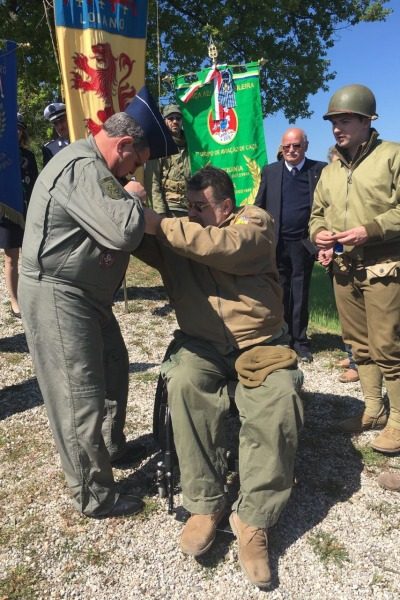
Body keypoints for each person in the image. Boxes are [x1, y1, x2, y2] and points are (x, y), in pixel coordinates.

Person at [131, 166, 304, 589]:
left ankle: (253, 518)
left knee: (279, 397)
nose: (189, 214)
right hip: (203, 344)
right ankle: (205, 502)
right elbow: (137, 238)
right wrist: (128, 203)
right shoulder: (184, 231)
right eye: (186, 206)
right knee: (184, 381)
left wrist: (160, 222)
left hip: (259, 344)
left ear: (225, 206)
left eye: (199, 206)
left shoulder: (253, 222)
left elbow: (222, 247)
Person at [18, 111, 153, 519]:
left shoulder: (95, 166)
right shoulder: (82, 167)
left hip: (85, 293)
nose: (136, 171)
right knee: (79, 396)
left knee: (114, 364)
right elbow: (125, 232)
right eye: (136, 162)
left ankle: (112, 448)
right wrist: (134, 194)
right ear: (123, 145)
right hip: (59, 292)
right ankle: (94, 494)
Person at [309, 84, 400, 453]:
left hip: (384, 267)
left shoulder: (392, 156)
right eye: (333, 121)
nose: (336, 128)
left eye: (344, 120)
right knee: (359, 345)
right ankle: (374, 410)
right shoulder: (330, 171)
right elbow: (317, 215)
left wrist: (371, 230)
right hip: (344, 271)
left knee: (388, 347)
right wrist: (321, 238)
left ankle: (398, 422)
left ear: (366, 121)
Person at [255, 128, 327, 362]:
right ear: (281, 148)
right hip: (277, 243)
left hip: (303, 244)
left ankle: (301, 342)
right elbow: (260, 206)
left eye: (296, 145)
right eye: (287, 146)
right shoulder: (271, 172)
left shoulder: (318, 170)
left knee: (300, 293)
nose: (291, 150)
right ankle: (282, 338)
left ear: (305, 145)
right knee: (279, 292)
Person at [322, 146, 359, 384]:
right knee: (347, 314)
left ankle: (359, 364)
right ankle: (351, 353)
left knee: (360, 316)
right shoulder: (330, 185)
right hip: (337, 258)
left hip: (361, 256)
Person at [0, 113, 38, 317]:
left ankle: (31, 296)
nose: (16, 131)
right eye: (12, 128)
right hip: (8, 215)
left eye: (19, 128)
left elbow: (36, 185)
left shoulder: (29, 156)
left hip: (29, 212)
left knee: (33, 258)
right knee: (11, 258)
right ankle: (15, 301)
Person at [144, 103, 190, 217]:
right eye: (171, 118)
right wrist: (160, 213)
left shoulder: (190, 145)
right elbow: (152, 182)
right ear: (165, 121)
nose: (175, 121)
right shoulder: (159, 146)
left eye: (178, 118)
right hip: (169, 208)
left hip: (189, 207)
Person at [42, 102, 70, 167]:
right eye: (56, 124)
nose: (60, 127)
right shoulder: (49, 149)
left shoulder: (82, 138)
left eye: (62, 121)